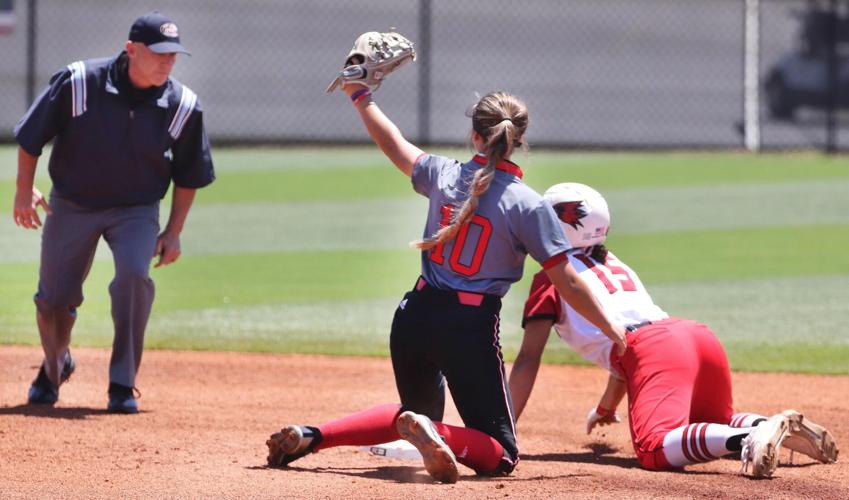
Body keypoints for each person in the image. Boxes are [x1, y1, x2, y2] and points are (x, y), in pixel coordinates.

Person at [265, 86, 628, 483]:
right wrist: (611, 327)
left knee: (412, 415)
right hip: (468, 328)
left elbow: (394, 145)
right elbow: (570, 284)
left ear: (475, 136)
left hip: (413, 317)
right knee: (502, 454)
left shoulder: (443, 172)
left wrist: (361, 96)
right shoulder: (527, 203)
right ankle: (434, 432)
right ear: (518, 140)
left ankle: (312, 436)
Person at [508, 182, 839, 478]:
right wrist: (606, 408)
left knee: (653, 448)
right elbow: (626, 356)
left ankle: (748, 439)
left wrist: (504, 431)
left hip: (654, 350)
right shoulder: (614, 263)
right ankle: (764, 426)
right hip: (694, 336)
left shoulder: (552, 280)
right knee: (712, 421)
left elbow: (527, 360)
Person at [12, 11, 215, 414]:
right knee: (53, 300)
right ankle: (54, 368)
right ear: (131, 50)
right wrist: (22, 192)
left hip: (136, 209)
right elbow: (31, 137)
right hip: (72, 203)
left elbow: (190, 173)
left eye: (173, 55)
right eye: (158, 53)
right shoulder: (79, 83)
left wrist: (173, 231)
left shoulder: (182, 105)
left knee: (134, 279)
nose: (167, 62)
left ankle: (122, 382)